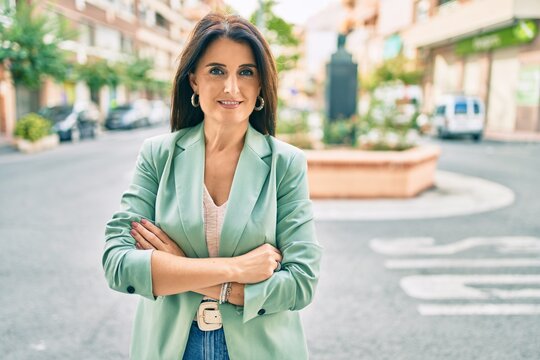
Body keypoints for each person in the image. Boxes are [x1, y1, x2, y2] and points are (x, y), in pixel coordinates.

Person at [102, 13, 322, 360]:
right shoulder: (158, 155)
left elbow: (300, 284)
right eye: (216, 70)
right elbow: (117, 262)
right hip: (171, 346)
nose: (231, 87)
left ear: (261, 84)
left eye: (246, 72)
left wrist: (176, 265)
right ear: (194, 81)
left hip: (261, 349)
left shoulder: (285, 164)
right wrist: (234, 270)